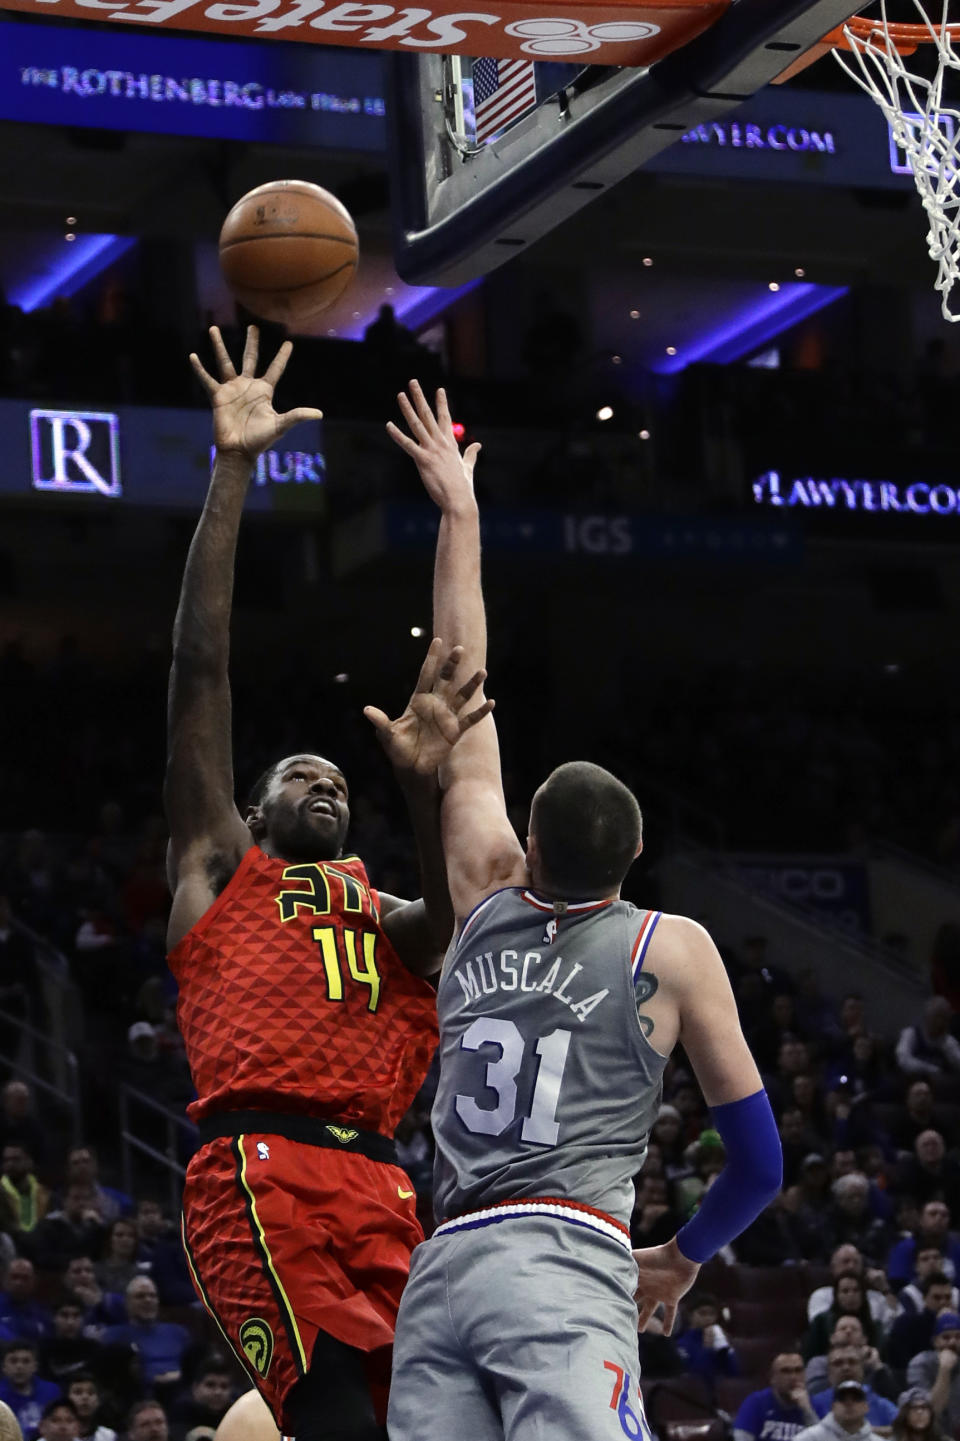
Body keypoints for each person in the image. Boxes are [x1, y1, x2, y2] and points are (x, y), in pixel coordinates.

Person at [383, 381, 783, 1441]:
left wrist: (460, 514)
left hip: (444, 1268)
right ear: (636, 855)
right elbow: (761, 1165)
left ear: (532, 848)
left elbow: (460, 681)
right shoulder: (672, 947)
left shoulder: (481, 895)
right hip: (561, 1264)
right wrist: (683, 1256)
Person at [167, 328, 491, 1441]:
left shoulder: (375, 910)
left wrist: (416, 789)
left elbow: (450, 918)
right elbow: (200, 670)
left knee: (428, 1422)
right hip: (259, 1171)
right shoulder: (220, 871)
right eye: (300, 774)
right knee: (342, 1420)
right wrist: (234, 467)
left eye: (341, 781)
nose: (325, 780)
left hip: (384, 1187)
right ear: (251, 815)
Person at [100, 1279, 188, 1388]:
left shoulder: (178, 1332)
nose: (148, 1300)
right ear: (127, 1303)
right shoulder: (113, 1336)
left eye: (152, 1296)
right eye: (140, 1296)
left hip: (180, 1389)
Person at [734, 1353, 819, 1441]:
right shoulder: (756, 1403)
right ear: (773, 1378)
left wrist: (807, 1411)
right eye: (785, 1371)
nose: (793, 1377)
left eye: (798, 1370)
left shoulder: (814, 1405)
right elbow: (741, 1437)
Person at [808, 1347, 897, 1426]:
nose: (846, 1367)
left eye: (852, 1362)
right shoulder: (815, 1403)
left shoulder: (880, 1403)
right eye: (838, 1363)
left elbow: (901, 1430)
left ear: (862, 1370)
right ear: (829, 1372)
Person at [885, 1273, 955, 1372]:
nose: (943, 1302)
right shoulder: (907, 1324)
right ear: (924, 1298)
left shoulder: (956, 1326)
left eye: (948, 1297)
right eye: (937, 1297)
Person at [905, 1312, 960, 1431]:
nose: (952, 1342)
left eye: (958, 1337)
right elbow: (929, 1415)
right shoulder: (920, 1364)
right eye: (946, 1337)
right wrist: (944, 1369)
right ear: (935, 1341)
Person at [0, 1342, 61, 1437]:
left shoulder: (52, 1391)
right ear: (4, 1367)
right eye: (13, 1361)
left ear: (35, 1366)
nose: (19, 1366)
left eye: (26, 1361)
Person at [794, 1379, 886, 1441]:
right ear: (833, 1406)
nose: (849, 1403)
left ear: (866, 1406)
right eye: (842, 1399)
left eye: (856, 1398)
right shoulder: (811, 1437)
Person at [895, 1000, 960, 1079]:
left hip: (940, 1085)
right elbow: (903, 1060)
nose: (941, 1023)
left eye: (945, 1018)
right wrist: (931, 1070)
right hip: (913, 1083)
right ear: (927, 1017)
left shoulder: (948, 1041)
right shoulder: (911, 1034)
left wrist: (948, 1051)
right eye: (937, 1017)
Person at [0, 1263, 51, 1344]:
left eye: (25, 1278)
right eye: (14, 1277)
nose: (19, 1283)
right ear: (4, 1280)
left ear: (34, 1281)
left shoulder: (43, 1313)